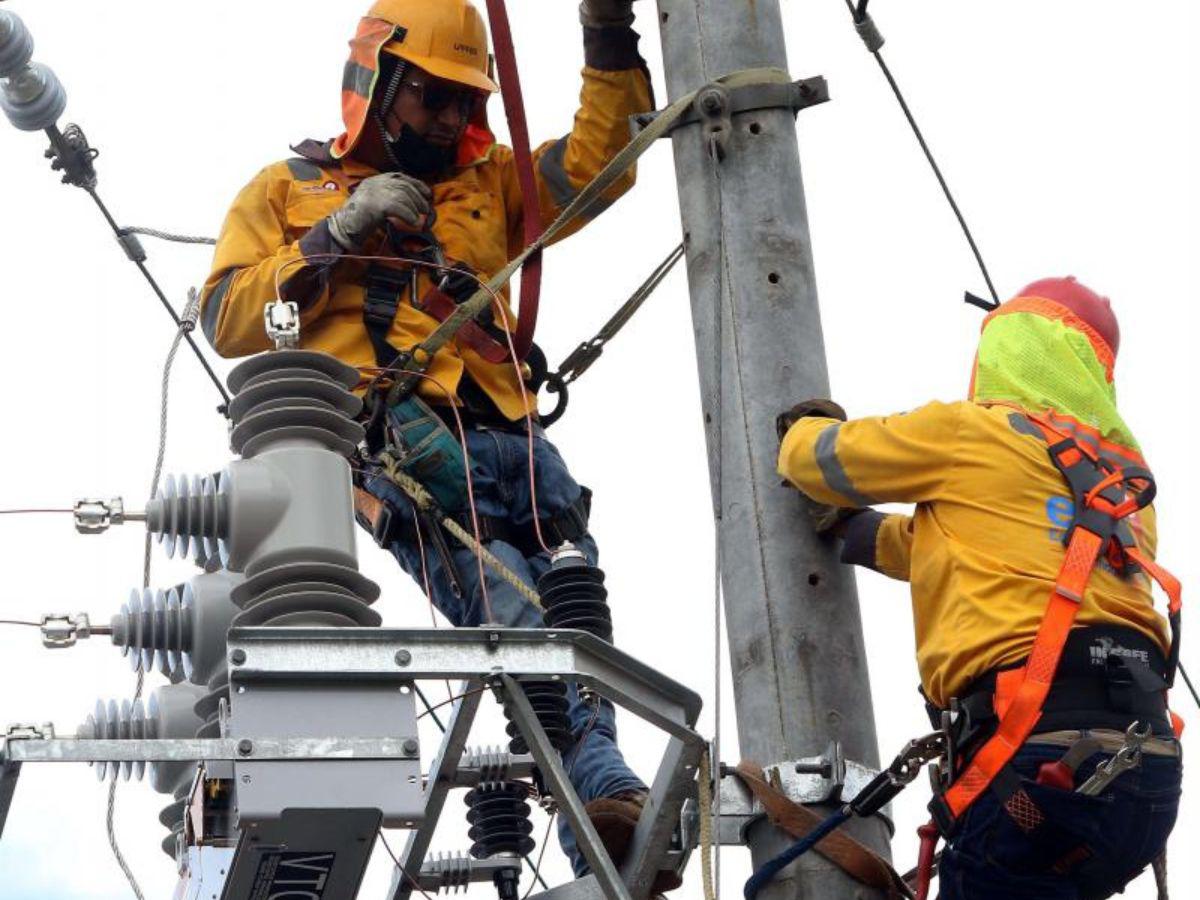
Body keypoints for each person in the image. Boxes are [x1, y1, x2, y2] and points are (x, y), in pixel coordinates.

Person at [199, 0, 665, 882]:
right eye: (434, 98)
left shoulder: (488, 185)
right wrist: (333, 234)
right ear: (378, 83)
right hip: (399, 439)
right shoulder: (285, 189)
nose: (453, 119)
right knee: (511, 607)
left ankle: (602, 807)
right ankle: (602, 791)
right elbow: (229, 317)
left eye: (465, 102)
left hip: (510, 431)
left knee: (572, 596)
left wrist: (608, 34)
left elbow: (605, 165)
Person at [776, 277, 1183, 899]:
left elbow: (820, 462)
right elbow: (972, 548)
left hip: (1036, 763)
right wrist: (859, 536)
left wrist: (802, 426)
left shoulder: (975, 433)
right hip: (1142, 779)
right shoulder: (1127, 493)